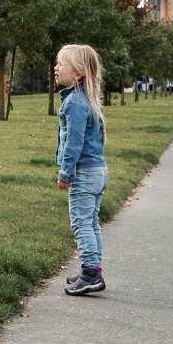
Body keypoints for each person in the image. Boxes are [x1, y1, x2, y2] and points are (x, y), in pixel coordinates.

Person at [55, 43, 108, 296]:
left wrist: (66, 173)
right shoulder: (87, 99)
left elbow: (74, 143)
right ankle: (93, 270)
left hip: (84, 173)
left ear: (78, 74)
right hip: (98, 171)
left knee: (81, 223)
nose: (56, 68)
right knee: (92, 222)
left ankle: (90, 274)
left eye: (61, 64)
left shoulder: (75, 103)